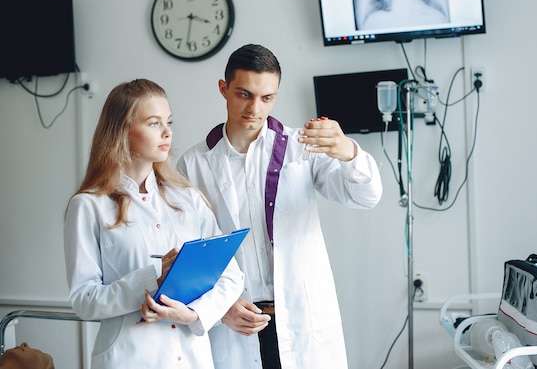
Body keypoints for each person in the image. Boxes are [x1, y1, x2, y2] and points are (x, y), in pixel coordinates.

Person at [177, 44, 383, 369]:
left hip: (300, 317)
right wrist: (220, 307)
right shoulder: (194, 164)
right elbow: (189, 252)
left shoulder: (303, 148)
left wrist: (348, 151)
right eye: (244, 94)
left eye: (267, 98)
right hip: (237, 322)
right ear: (224, 88)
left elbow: (366, 195)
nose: (255, 108)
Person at [63, 79, 244, 369]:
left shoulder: (189, 199)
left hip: (191, 357)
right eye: (153, 123)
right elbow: (84, 300)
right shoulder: (88, 206)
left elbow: (231, 275)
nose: (167, 132)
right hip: (129, 358)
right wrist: (152, 278)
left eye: (169, 122)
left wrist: (194, 314)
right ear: (123, 131)